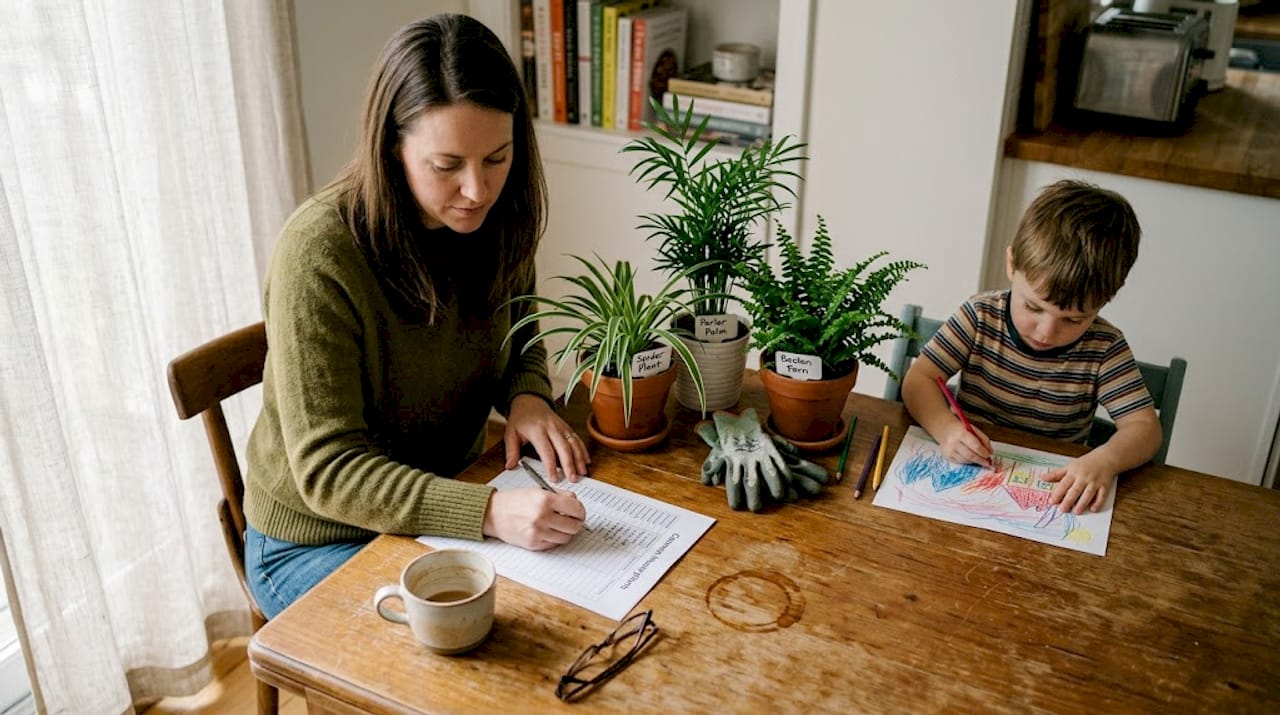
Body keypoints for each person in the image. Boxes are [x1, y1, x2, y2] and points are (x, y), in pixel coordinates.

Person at [242, 14, 590, 619]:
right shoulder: (319, 252)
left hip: (438, 500)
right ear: (392, 148)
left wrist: (528, 395)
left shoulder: (498, 221)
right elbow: (328, 471)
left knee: (559, 618)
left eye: (497, 158)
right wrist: (484, 513)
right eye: (446, 165)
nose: (477, 190)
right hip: (313, 540)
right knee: (485, 649)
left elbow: (521, 338)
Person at [901, 179, 1162, 516]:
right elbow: (918, 380)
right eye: (1034, 307)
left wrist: (1105, 460)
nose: (1047, 331)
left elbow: (1145, 429)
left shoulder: (1104, 348)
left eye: (1073, 320)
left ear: (1108, 298)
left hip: (1051, 497)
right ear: (1012, 264)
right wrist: (946, 429)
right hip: (969, 477)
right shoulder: (981, 316)